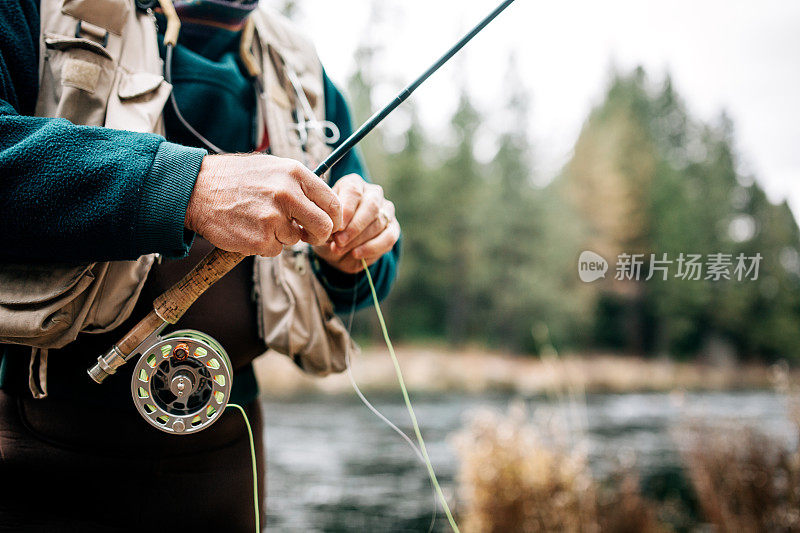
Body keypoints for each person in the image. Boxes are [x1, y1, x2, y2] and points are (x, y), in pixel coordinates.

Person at [0, 0, 401, 530]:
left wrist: (355, 249)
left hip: (228, 466)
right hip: (32, 450)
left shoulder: (301, 68)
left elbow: (369, 277)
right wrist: (187, 187)